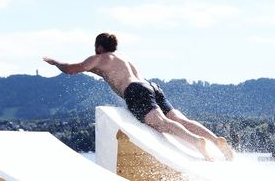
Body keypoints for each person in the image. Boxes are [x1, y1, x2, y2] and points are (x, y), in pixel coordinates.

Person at [43, 32, 234, 161]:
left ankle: (196, 142)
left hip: (135, 91)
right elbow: (104, 73)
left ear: (99, 47)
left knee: (160, 123)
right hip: (151, 86)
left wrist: (55, 62)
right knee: (178, 118)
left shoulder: (101, 57)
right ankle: (216, 140)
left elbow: (70, 69)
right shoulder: (123, 58)